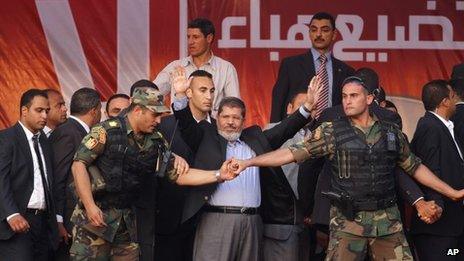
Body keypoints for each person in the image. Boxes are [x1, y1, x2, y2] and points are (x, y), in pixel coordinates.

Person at [230, 76, 464, 260]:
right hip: (347, 222)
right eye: (344, 96)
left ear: (369, 99)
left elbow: (414, 167)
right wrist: (250, 162)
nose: (348, 101)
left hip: (388, 222)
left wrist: (451, 193)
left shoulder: (390, 132)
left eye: (354, 95)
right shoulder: (332, 132)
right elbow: (290, 154)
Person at [68, 87, 237, 260]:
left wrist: (218, 175)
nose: (158, 121)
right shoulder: (105, 131)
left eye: (160, 116)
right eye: (154, 115)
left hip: (126, 224)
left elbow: (179, 175)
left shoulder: (155, 140)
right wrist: (89, 206)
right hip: (95, 221)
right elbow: (79, 165)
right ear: (138, 110)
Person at [171, 68, 320, 261]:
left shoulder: (256, 139)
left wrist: (307, 106)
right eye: (225, 117)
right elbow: (185, 123)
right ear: (217, 118)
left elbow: (285, 129)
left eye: (236, 118)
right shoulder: (205, 137)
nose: (230, 122)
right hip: (216, 220)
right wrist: (181, 94)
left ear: (244, 121)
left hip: (253, 222)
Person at [155, 70, 214, 261]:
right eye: (203, 90)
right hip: (168, 217)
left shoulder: (219, 129)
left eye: (212, 91)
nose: (209, 96)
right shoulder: (164, 125)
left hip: (206, 219)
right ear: (189, 93)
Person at [0, 89, 59, 260]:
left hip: (43, 223)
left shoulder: (45, 142)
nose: (44, 116)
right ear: (24, 111)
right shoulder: (6, 138)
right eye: (39, 110)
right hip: (16, 222)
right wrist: (11, 214)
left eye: (47, 111)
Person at [410, 80, 464, 261]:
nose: (456, 100)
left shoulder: (446, 126)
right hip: (437, 229)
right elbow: (428, 170)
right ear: (444, 102)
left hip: (452, 227)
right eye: (452, 96)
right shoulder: (429, 127)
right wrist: (437, 205)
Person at [270, 12, 354, 123]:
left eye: (324, 30)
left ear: (334, 34)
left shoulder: (346, 71)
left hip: (333, 133)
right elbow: (278, 101)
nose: (318, 34)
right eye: (314, 30)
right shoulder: (290, 65)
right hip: (297, 132)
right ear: (309, 34)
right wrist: (275, 134)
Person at [49, 87, 102, 260]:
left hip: (83, 219)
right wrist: (58, 220)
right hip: (69, 219)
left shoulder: (79, 131)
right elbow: (57, 178)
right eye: (100, 110)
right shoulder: (67, 132)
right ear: (94, 111)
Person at [154, 18, 240, 117]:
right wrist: (166, 118)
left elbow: (234, 107)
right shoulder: (175, 67)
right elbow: (151, 93)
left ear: (209, 38)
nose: (190, 42)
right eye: (188, 37)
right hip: (179, 128)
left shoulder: (226, 69)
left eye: (195, 37)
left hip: (211, 129)